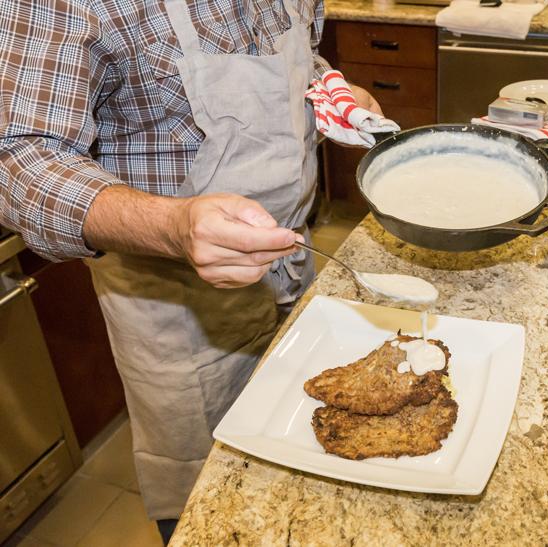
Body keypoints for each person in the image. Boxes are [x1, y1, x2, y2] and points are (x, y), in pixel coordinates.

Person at [0, 0, 381, 542]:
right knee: (210, 496)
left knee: (303, 464)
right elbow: (18, 158)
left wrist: (334, 94)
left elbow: (298, 61)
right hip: (172, 304)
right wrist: (174, 227)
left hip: (294, 261)